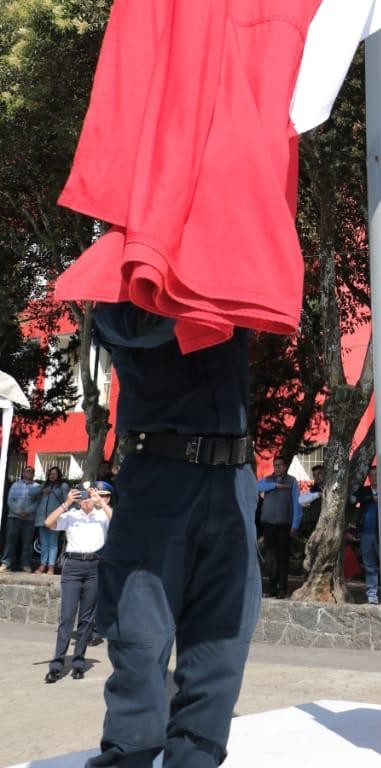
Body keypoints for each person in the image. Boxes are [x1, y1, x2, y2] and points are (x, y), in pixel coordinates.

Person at [84, 302, 260, 768]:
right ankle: (129, 758)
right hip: (160, 477)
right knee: (141, 648)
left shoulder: (230, 267)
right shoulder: (122, 280)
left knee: (222, 649)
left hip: (235, 479)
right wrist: (192, 288)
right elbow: (135, 328)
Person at [44, 481, 112, 681]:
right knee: (66, 618)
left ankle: (79, 663)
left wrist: (101, 501)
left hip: (95, 566)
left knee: (86, 619)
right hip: (73, 566)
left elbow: (119, 522)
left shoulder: (102, 517)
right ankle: (57, 664)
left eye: (87, 497)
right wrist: (66, 503)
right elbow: (49, 523)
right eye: (81, 497)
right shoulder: (71, 515)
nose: (84, 501)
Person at [257, 455, 302, 598]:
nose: (277, 468)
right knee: (271, 559)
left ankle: (282, 588)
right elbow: (256, 486)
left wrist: (295, 525)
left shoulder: (292, 481)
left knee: (283, 557)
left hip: (284, 525)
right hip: (269, 524)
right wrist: (274, 486)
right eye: (275, 465)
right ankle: (272, 588)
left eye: (280, 465)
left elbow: (297, 504)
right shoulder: (268, 480)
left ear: (285, 466)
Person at [0, 464, 41, 571]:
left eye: (31, 471)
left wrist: (27, 511)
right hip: (14, 518)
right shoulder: (15, 485)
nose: (29, 473)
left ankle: (25, 564)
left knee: (27, 543)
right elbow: (10, 500)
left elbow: (38, 502)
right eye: (27, 471)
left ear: (33, 474)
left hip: (29, 519)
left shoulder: (37, 486)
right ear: (23, 473)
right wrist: (19, 512)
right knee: (10, 541)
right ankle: (6, 563)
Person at [34, 466, 70, 574]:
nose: (52, 476)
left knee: (53, 543)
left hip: (55, 519)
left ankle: (51, 566)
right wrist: (42, 490)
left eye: (54, 474)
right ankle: (42, 564)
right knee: (43, 543)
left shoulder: (63, 486)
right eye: (50, 474)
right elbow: (32, 493)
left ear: (59, 475)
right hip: (42, 518)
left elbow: (67, 501)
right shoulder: (44, 485)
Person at [354, 478, 380, 605]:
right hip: (366, 533)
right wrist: (371, 498)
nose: (374, 477)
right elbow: (353, 499)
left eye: (376, 474)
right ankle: (372, 595)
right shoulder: (364, 491)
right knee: (369, 566)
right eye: (371, 475)